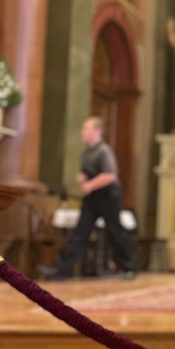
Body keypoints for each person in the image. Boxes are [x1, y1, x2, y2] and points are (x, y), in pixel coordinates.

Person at [38, 117, 136, 280]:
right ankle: (62, 271)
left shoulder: (104, 151)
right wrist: (83, 178)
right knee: (79, 233)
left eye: (86, 129)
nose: (82, 132)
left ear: (97, 131)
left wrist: (90, 185)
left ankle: (129, 268)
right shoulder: (86, 153)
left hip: (108, 197)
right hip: (92, 198)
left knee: (115, 232)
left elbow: (110, 175)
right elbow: (90, 173)